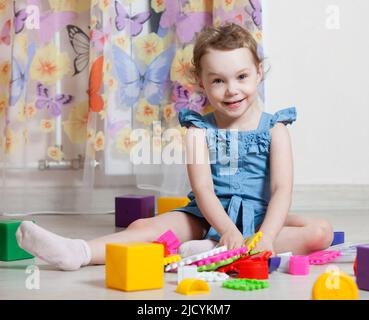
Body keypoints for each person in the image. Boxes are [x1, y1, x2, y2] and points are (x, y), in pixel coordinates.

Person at [16, 23, 333, 271]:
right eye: (219, 80)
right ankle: (79, 252)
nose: (232, 89)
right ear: (201, 82)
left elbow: (281, 191)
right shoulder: (198, 130)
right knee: (143, 227)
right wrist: (225, 228)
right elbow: (205, 190)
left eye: (241, 77)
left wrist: (264, 235)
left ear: (259, 73)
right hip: (207, 215)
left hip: (260, 216)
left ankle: (216, 251)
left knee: (320, 231)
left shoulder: (275, 129)